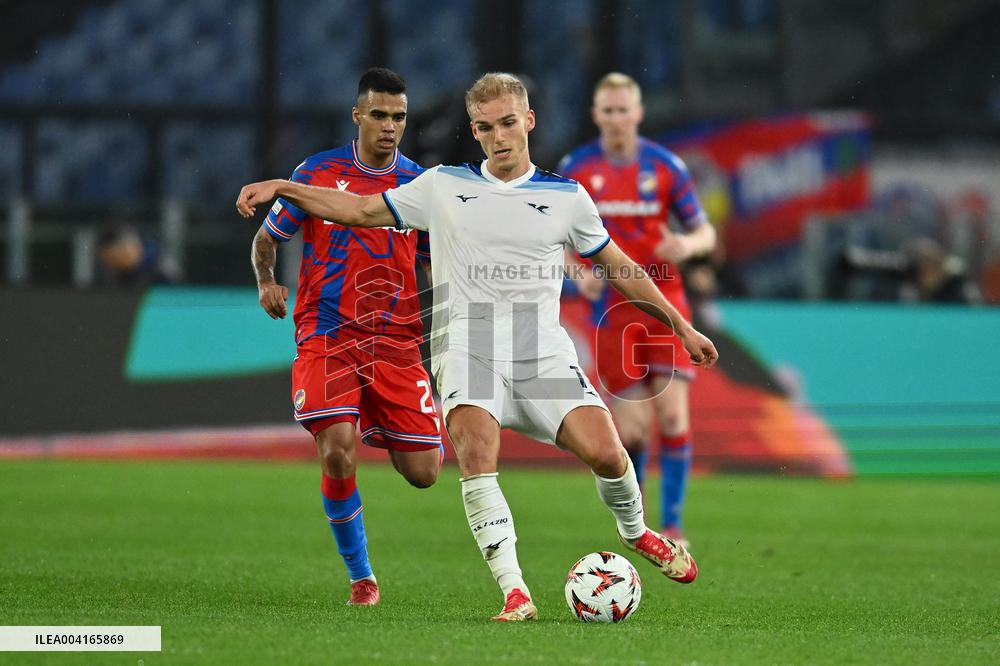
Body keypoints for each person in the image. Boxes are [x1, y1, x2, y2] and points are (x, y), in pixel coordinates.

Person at [237, 72, 719, 621]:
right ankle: (515, 592)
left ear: (529, 121)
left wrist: (682, 327)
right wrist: (284, 187)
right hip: (467, 345)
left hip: (542, 351)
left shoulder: (566, 196)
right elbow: (359, 210)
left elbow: (621, 268)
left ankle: (636, 532)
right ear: (475, 131)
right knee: (476, 457)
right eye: (487, 128)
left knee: (609, 454)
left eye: (509, 123)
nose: (500, 137)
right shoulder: (441, 186)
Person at [250, 67, 442, 607]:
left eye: (398, 117)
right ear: (357, 115)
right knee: (337, 451)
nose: (389, 126)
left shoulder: (419, 186)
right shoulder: (316, 173)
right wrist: (266, 280)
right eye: (378, 115)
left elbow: (434, 264)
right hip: (327, 332)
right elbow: (266, 239)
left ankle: (379, 417)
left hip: (396, 342)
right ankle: (362, 577)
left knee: (425, 473)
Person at [558, 73, 717, 548]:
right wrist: (574, 269)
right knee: (632, 432)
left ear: (639, 113)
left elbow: (705, 231)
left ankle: (673, 527)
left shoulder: (666, 166)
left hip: (665, 302)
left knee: (672, 417)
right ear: (596, 116)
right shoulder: (577, 168)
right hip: (611, 311)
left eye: (624, 110)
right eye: (608, 111)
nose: (616, 119)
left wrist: (686, 245)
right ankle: (641, 527)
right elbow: (554, 236)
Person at [97, 223, 179, 287]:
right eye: (108, 260)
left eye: (113, 258)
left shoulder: (163, 271)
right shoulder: (116, 274)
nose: (110, 264)